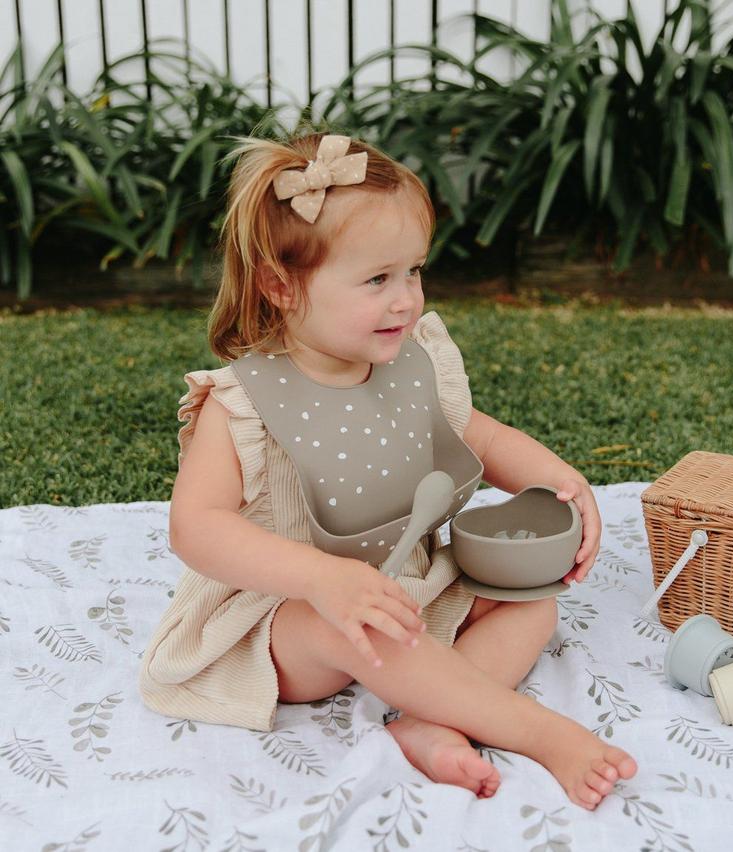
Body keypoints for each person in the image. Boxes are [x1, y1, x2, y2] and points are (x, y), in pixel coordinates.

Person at [138, 130, 637, 810]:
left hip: (404, 578)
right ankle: (539, 733)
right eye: (377, 279)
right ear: (280, 286)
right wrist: (321, 580)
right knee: (354, 626)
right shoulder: (244, 404)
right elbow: (195, 528)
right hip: (284, 616)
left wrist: (559, 480)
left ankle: (432, 721)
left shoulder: (409, 363)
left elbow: (476, 435)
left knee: (533, 601)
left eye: (413, 271)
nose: (405, 299)